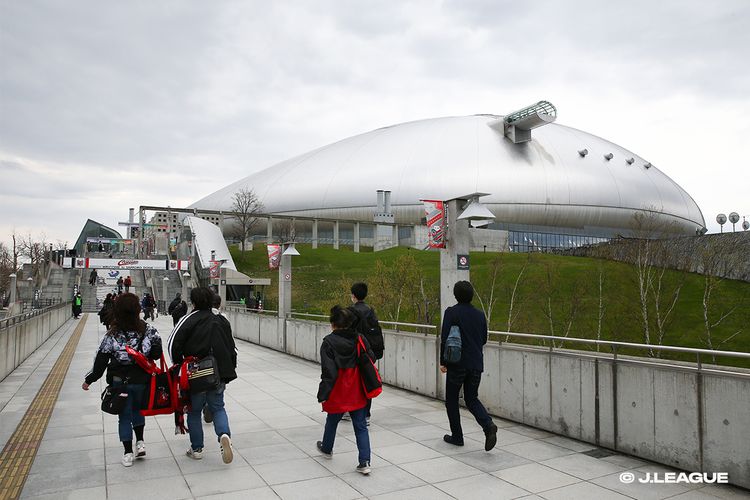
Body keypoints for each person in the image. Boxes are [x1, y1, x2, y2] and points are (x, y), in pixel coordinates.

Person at [82, 293, 163, 467]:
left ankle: (127, 452)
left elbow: (101, 361)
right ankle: (140, 442)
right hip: (142, 380)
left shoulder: (112, 334)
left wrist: (90, 380)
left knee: (124, 416)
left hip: (120, 382)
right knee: (138, 411)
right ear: (138, 310)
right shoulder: (149, 330)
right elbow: (157, 353)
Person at [168, 287, 237, 464]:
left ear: (194, 302)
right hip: (218, 374)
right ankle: (223, 435)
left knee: (194, 411)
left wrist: (178, 365)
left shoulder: (188, 319)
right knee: (218, 407)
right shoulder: (221, 320)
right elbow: (231, 347)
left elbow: (173, 344)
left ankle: (197, 448)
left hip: (195, 373)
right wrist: (228, 371)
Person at [440, 281, 498, 451]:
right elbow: (484, 340)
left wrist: (443, 362)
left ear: (456, 295)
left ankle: (457, 436)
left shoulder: (451, 312)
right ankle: (488, 425)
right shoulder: (480, 315)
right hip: (476, 363)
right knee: (471, 398)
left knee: (451, 400)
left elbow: (445, 339)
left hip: (457, 364)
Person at [316, 305, 373, 475]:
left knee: (332, 420)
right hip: (357, 389)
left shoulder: (328, 342)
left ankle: (327, 448)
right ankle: (365, 462)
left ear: (333, 324)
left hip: (338, 390)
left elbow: (329, 373)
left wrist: (323, 394)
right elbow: (371, 358)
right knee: (361, 426)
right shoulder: (359, 338)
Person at [348, 282, 383, 425]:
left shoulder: (350, 311)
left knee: (352, 382)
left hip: (354, 351)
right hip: (369, 352)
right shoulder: (370, 310)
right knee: (367, 380)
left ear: (354, 295)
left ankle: (351, 410)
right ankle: (366, 414)